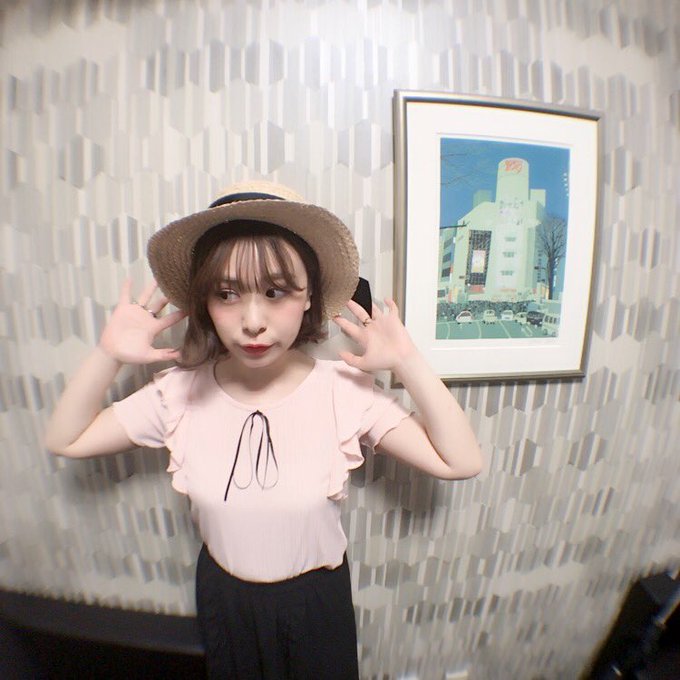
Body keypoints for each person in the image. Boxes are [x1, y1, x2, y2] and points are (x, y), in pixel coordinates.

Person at [44, 181, 482, 679]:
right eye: (226, 294)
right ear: (205, 302)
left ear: (309, 295)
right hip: (224, 599)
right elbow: (65, 439)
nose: (252, 322)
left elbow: (461, 461)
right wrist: (108, 355)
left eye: (276, 292)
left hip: (315, 603)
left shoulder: (343, 390)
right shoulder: (178, 392)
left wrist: (407, 360)